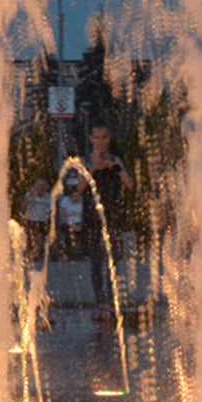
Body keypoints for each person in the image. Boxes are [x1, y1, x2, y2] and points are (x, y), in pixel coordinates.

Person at [78, 123, 132, 320]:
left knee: (113, 262)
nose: (100, 142)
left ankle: (110, 303)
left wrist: (115, 169)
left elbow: (129, 183)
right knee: (95, 264)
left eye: (104, 138)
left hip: (112, 216)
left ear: (108, 140)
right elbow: (78, 189)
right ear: (91, 139)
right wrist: (93, 169)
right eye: (97, 138)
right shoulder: (83, 161)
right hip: (92, 218)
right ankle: (100, 304)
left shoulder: (115, 160)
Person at [21, 177, 53, 261]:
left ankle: (42, 254)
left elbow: (52, 211)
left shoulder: (49, 197)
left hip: (44, 221)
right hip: (31, 220)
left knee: (46, 236)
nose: (40, 187)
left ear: (46, 187)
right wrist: (29, 196)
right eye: (38, 185)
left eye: (43, 185)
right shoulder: (30, 195)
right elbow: (23, 207)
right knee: (30, 235)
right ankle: (30, 253)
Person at [58, 180, 85, 259]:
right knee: (67, 231)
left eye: (78, 196)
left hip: (80, 222)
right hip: (68, 223)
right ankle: (68, 252)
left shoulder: (83, 201)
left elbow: (85, 215)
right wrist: (71, 225)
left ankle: (84, 252)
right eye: (74, 196)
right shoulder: (65, 201)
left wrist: (81, 225)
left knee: (86, 230)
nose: (77, 198)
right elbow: (63, 216)